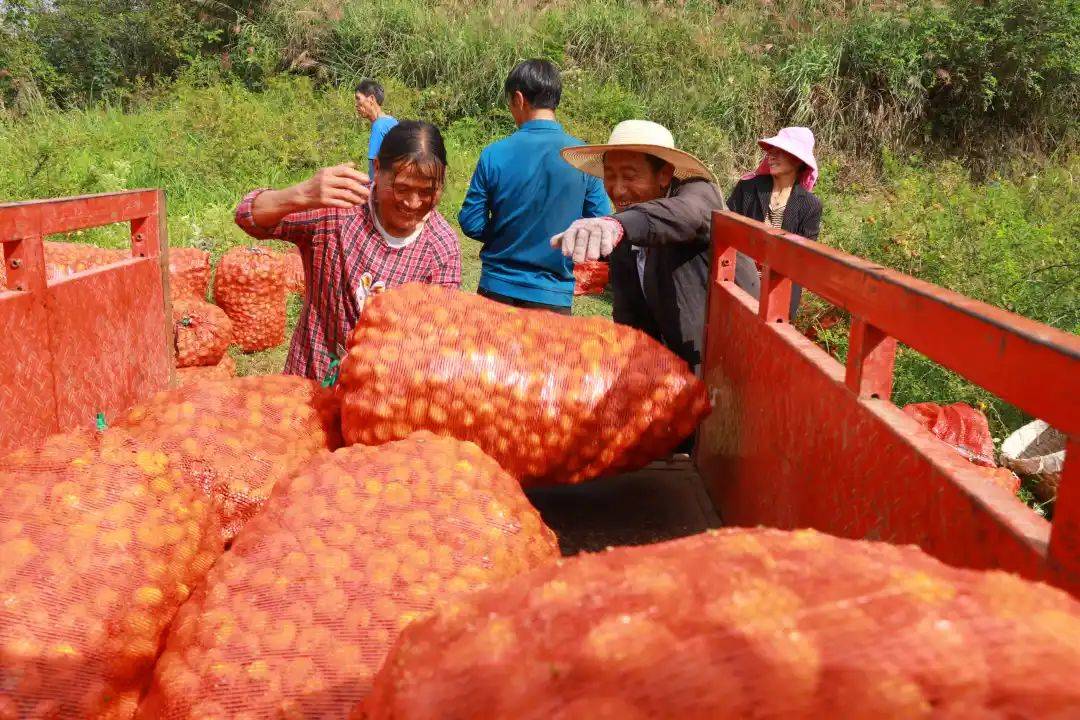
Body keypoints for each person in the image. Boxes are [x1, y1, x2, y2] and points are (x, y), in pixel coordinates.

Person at [234, 120, 461, 381]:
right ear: (377, 169)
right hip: (311, 385)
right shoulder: (339, 209)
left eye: (427, 192)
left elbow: (438, 335)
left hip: (380, 399)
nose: (413, 203)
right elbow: (247, 216)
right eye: (402, 188)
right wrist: (300, 193)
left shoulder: (441, 246)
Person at [551, 120, 723, 377]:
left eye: (630, 176)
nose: (617, 189)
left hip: (714, 366)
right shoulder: (625, 224)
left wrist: (616, 224)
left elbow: (687, 215)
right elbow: (628, 314)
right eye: (610, 176)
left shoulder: (697, 194)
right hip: (664, 371)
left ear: (664, 174)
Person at [459, 59, 610, 314]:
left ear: (518, 98)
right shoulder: (584, 159)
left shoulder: (493, 154)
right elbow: (601, 222)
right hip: (553, 296)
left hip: (497, 289)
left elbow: (471, 222)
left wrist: (507, 234)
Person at [726, 126, 822, 318]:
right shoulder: (748, 188)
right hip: (741, 281)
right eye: (771, 151)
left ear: (797, 160)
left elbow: (805, 255)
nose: (771, 156)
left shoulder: (810, 205)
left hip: (781, 288)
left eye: (780, 152)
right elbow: (727, 228)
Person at [355, 79, 399, 178]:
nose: (356, 104)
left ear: (371, 99)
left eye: (358, 98)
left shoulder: (378, 126)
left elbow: (373, 171)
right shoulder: (392, 121)